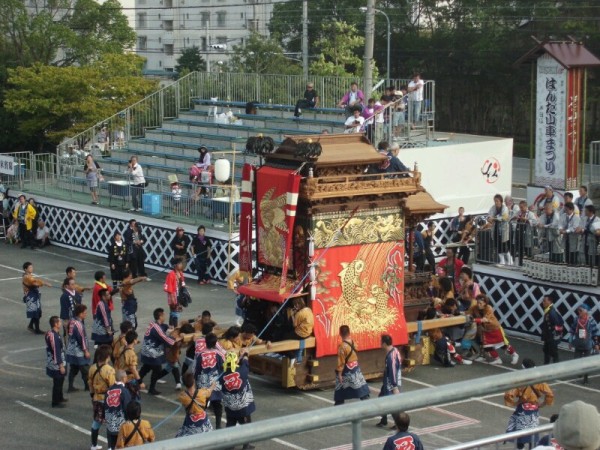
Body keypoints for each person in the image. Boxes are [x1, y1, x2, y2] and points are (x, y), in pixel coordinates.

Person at [505, 359, 554, 450]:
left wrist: (513, 403)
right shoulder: (539, 379)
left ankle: (520, 447)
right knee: (533, 430)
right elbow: (550, 394)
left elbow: (509, 394)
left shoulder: (520, 379)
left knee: (519, 431)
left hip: (522, 408)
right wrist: (543, 404)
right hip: (534, 408)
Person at [218, 351, 256, 449]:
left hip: (230, 407)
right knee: (246, 426)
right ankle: (246, 446)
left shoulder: (222, 376)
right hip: (243, 407)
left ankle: (230, 446)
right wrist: (245, 355)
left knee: (230, 426)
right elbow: (245, 362)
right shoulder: (242, 371)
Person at [469, 294, 519, 365]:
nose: (478, 304)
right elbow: (468, 313)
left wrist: (474, 320)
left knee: (502, 344)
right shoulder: (475, 308)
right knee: (487, 346)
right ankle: (497, 359)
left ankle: (514, 354)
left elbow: (485, 319)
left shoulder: (489, 308)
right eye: (477, 302)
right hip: (485, 330)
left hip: (494, 328)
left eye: (480, 303)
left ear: (485, 303)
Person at [139, 308, 177, 395]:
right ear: (160, 316)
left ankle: (136, 382)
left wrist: (168, 327)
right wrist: (175, 338)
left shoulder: (154, 324)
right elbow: (166, 339)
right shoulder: (157, 328)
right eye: (164, 315)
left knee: (146, 368)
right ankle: (151, 389)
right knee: (156, 369)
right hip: (151, 353)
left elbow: (163, 327)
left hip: (146, 351)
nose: (165, 316)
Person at [195, 332, 226, 429]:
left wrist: (196, 381)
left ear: (205, 342)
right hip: (215, 383)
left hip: (203, 383)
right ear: (215, 343)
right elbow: (223, 368)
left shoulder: (201, 354)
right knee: (217, 405)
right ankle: (218, 426)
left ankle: (200, 425)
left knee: (202, 405)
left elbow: (197, 370)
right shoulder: (219, 354)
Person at [88, 344, 116, 450]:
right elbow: (113, 387)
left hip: (96, 398)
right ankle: (110, 447)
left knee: (96, 422)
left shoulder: (92, 368)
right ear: (108, 356)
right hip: (107, 399)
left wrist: (92, 395)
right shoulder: (110, 370)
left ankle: (94, 445)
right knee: (110, 423)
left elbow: (90, 383)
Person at [334, 325, 370, 405]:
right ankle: (366, 399)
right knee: (359, 385)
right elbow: (356, 349)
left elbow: (341, 362)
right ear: (349, 332)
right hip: (355, 367)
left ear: (340, 333)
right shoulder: (353, 342)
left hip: (346, 369)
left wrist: (339, 374)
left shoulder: (342, 347)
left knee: (341, 388)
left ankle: (339, 403)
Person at [567, 303, 599, 385]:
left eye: (580, 311)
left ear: (585, 312)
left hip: (587, 344)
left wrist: (596, 344)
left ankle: (586, 378)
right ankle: (580, 373)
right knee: (577, 360)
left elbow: (595, 333)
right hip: (578, 343)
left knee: (587, 362)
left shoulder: (590, 321)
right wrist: (570, 341)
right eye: (578, 310)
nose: (579, 312)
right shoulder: (576, 319)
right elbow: (572, 331)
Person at [176, 372, 215, 436]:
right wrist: (213, 384)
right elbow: (210, 390)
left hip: (190, 420)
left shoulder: (182, 396)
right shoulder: (202, 392)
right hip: (202, 420)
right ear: (194, 381)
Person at [376, 335, 402, 428]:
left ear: (384, 343)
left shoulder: (391, 357)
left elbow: (393, 371)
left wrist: (394, 387)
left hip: (390, 383)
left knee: (390, 404)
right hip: (388, 382)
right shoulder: (394, 351)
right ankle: (384, 420)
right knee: (381, 399)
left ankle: (398, 423)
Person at [105, 369, 132, 450]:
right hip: (120, 423)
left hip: (110, 422)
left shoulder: (109, 390)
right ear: (123, 378)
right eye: (126, 377)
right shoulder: (124, 391)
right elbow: (127, 408)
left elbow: (105, 406)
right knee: (121, 445)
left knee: (111, 445)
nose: (127, 379)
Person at [66, 304, 91, 392]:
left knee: (74, 368)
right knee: (85, 369)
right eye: (84, 313)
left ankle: (70, 386)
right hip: (78, 351)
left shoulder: (71, 321)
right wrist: (86, 351)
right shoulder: (79, 324)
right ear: (80, 314)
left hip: (71, 350)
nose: (86, 314)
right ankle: (87, 386)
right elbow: (82, 338)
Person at [22, 261, 51, 334]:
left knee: (37, 312)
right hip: (31, 296)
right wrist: (45, 283)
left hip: (34, 295)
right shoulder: (27, 277)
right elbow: (34, 282)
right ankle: (37, 329)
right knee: (36, 312)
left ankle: (31, 326)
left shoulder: (29, 276)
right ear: (25, 269)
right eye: (30, 267)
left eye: (32, 267)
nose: (32, 268)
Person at [46, 315, 67, 408]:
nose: (61, 323)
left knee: (60, 380)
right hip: (57, 362)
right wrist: (61, 365)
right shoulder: (54, 336)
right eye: (59, 322)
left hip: (55, 360)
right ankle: (55, 401)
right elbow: (56, 351)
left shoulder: (52, 333)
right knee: (58, 381)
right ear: (55, 324)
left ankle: (60, 397)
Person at [488, 194, 512, 265]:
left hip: (504, 229)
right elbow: (489, 215)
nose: (496, 202)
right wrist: (489, 218)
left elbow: (504, 217)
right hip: (495, 228)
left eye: (497, 201)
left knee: (504, 244)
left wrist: (494, 218)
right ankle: (502, 261)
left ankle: (510, 260)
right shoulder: (493, 208)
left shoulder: (505, 208)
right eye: (495, 201)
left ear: (501, 201)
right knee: (497, 244)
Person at [540, 294, 564, 365]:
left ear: (550, 301)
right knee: (546, 350)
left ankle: (555, 367)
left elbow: (559, 324)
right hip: (548, 336)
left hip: (551, 336)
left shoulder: (552, 312)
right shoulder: (549, 310)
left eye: (544, 301)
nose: (543, 303)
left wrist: (555, 335)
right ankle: (546, 365)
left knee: (553, 352)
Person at [164, 259, 186, 327]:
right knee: (175, 311)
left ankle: (171, 325)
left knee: (173, 312)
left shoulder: (181, 273)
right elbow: (169, 287)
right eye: (180, 264)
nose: (181, 265)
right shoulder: (171, 274)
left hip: (178, 294)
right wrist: (172, 298)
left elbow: (182, 284)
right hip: (173, 295)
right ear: (175, 265)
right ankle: (175, 327)